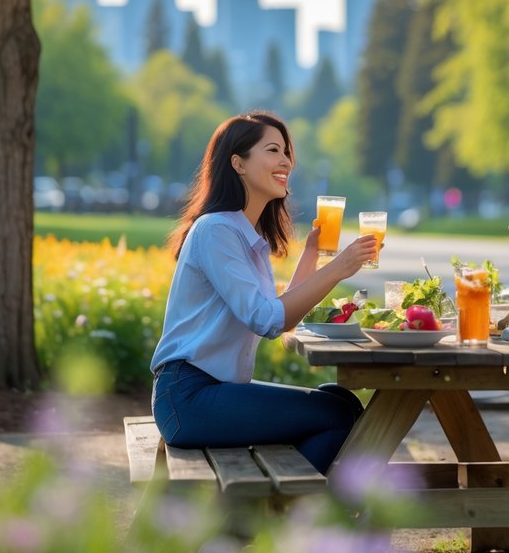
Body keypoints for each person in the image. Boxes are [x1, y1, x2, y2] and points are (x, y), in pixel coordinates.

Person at [149, 111, 378, 474]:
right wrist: (340, 268)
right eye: (274, 150)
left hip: (211, 392)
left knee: (341, 402)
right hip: (188, 397)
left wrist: (313, 254)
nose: (286, 160)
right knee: (336, 415)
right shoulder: (216, 230)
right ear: (238, 163)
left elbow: (278, 317)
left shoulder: (246, 238)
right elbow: (269, 320)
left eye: (287, 152)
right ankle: (275, 515)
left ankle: (271, 510)